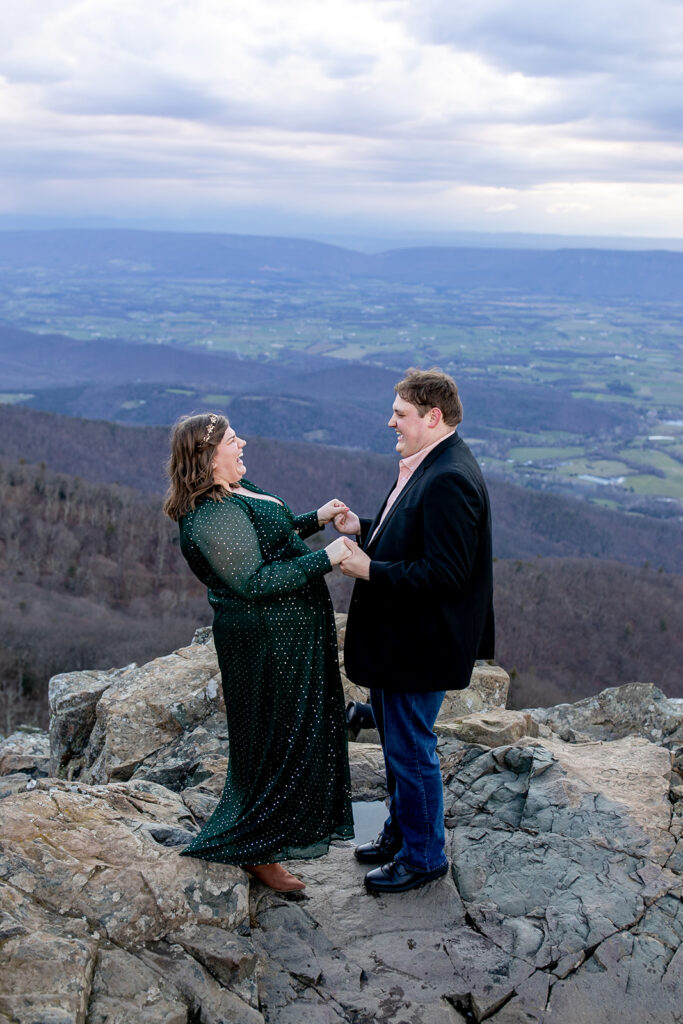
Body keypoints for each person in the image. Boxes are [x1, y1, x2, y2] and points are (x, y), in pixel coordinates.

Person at [164, 412, 354, 892]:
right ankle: (254, 847)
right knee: (272, 743)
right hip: (266, 646)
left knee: (292, 735)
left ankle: (270, 838)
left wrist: (316, 519)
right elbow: (254, 580)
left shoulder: (236, 491)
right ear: (208, 458)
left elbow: (266, 539)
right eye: (232, 440)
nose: (242, 442)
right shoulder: (209, 513)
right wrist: (328, 558)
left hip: (289, 639)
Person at [335, 368, 494, 895]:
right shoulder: (431, 462)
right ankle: (401, 832)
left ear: (433, 416)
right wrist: (365, 527)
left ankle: (424, 857)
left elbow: (446, 573)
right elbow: (411, 527)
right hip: (402, 640)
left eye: (400, 414)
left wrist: (369, 570)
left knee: (411, 751)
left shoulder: (449, 477)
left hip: (420, 645)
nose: (391, 422)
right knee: (399, 743)